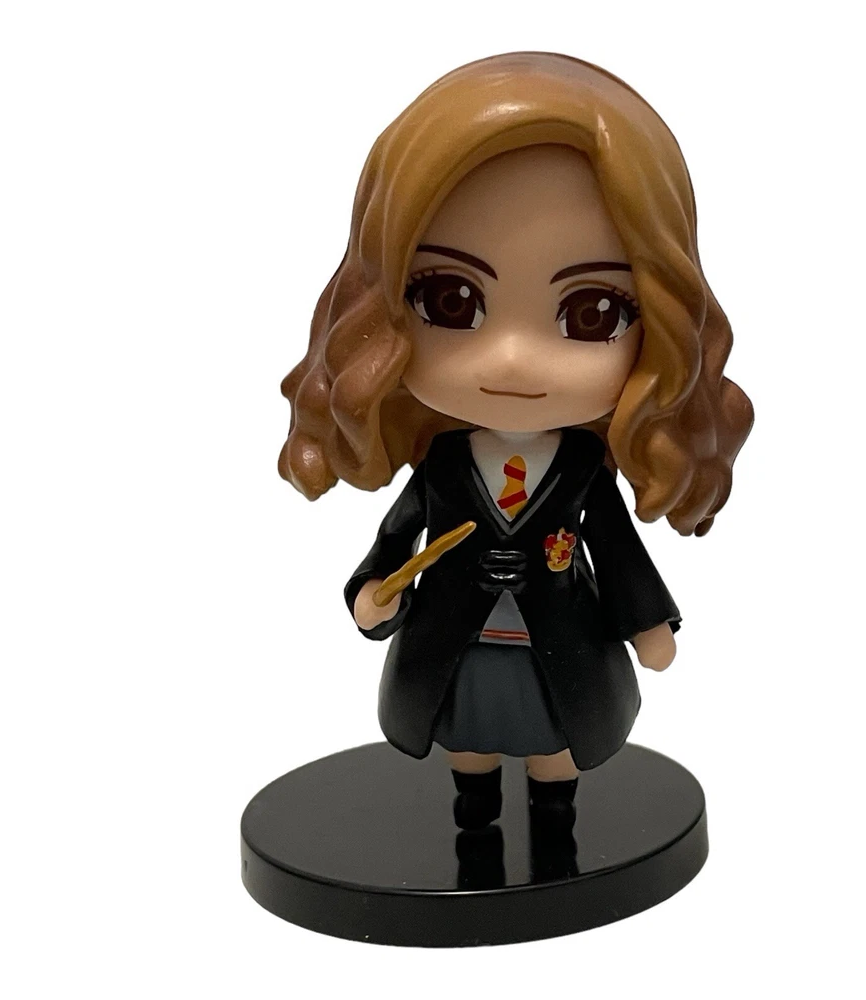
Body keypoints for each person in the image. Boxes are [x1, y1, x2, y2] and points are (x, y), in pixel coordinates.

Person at [279, 53, 753, 833]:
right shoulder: (441, 467)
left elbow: (617, 550)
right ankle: (474, 825)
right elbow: (395, 542)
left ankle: (555, 824)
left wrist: (646, 623)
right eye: (449, 300)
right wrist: (372, 595)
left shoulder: (581, 470)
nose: (512, 361)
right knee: (467, 752)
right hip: (457, 643)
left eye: (594, 312)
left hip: (558, 646)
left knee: (553, 753)